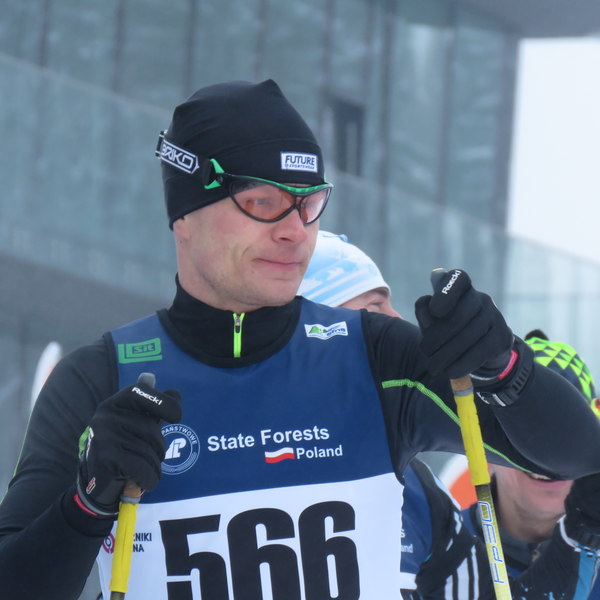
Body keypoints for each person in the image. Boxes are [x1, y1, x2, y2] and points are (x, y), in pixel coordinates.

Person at [1, 79, 599, 600]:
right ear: (185, 214)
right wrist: (87, 501)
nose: (294, 230)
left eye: (308, 203)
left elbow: (574, 457)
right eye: (262, 202)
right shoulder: (102, 381)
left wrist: (503, 363)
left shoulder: (376, 357)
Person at [300, 230, 600, 599]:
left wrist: (582, 533)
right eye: (374, 310)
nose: (397, 321)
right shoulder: (240, 443)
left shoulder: (415, 490)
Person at [462, 330, 600, 598]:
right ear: (484, 445)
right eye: (523, 435)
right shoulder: (439, 546)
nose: (546, 456)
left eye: (568, 432)